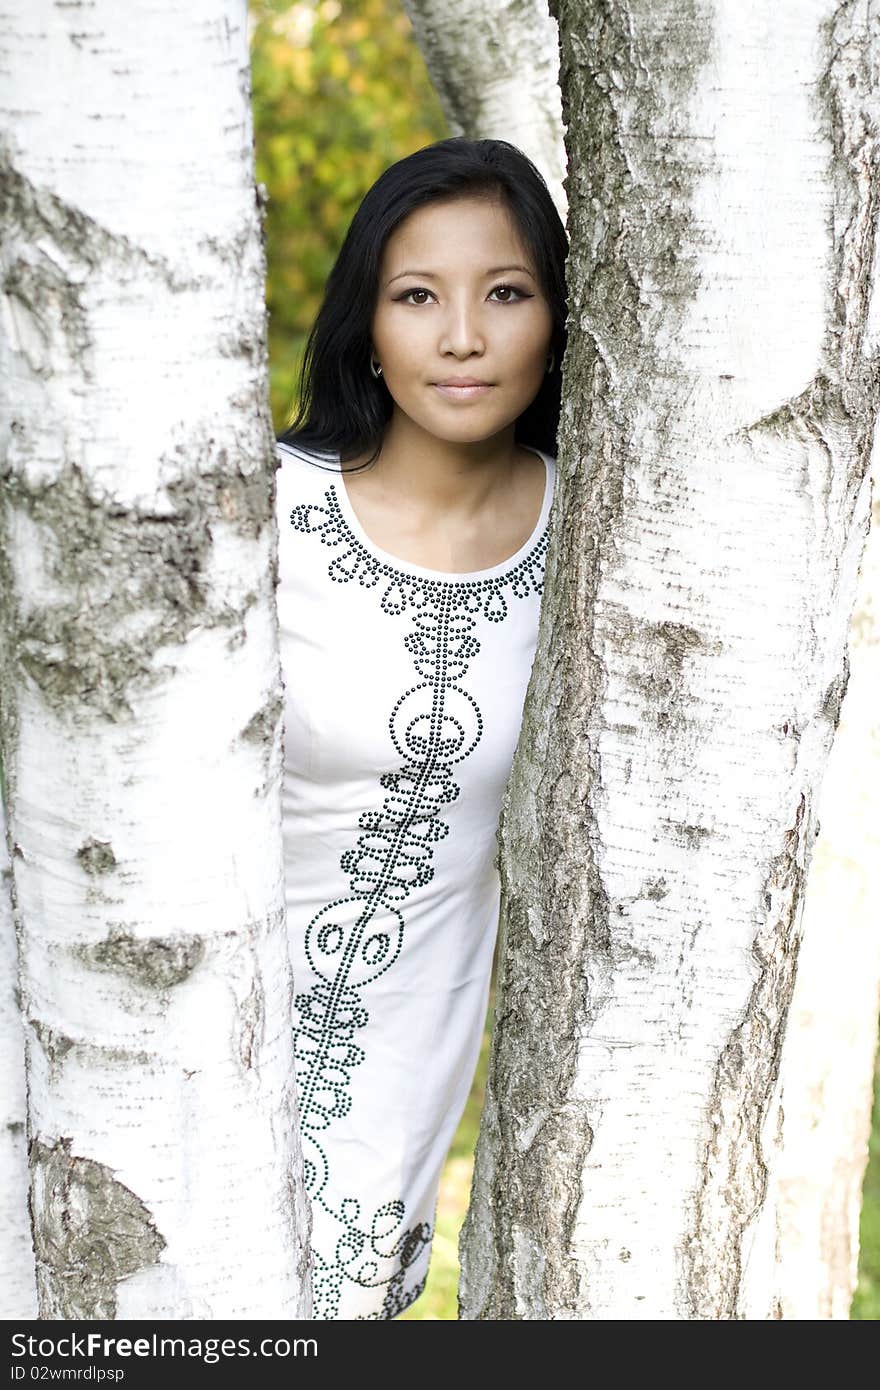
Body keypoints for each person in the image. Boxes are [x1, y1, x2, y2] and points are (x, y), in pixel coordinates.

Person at [274, 136, 568, 1320]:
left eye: (504, 292)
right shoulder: (262, 511)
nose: (461, 337)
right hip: (153, 1023)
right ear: (367, 322)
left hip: (393, 1074)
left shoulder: (607, 540)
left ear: (555, 317)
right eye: (416, 296)